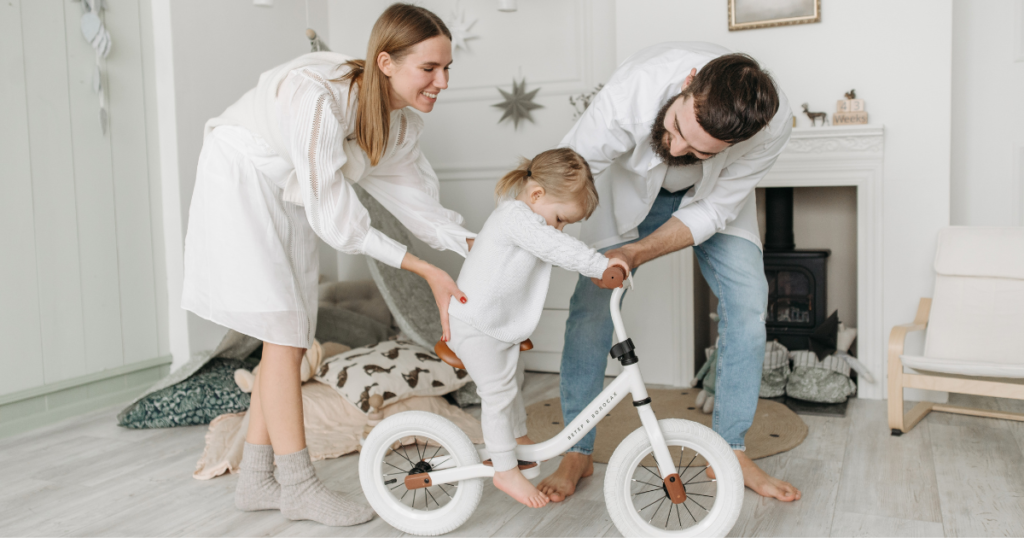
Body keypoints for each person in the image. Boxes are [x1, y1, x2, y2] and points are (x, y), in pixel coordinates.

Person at [181, 4, 474, 527]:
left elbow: (424, 211)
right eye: (430, 69)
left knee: (294, 327)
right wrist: (426, 270)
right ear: (385, 62)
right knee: (284, 333)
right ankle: (297, 485)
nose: (442, 81)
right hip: (242, 173)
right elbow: (341, 225)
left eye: (448, 68)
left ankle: (255, 480)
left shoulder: (397, 125)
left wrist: (487, 247)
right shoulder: (318, 97)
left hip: (286, 189)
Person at [537, 42, 803, 503]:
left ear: (734, 143)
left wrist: (638, 253)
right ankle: (576, 450)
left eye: (698, 150)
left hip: (710, 199)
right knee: (591, 310)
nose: (677, 147)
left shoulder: (772, 127)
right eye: (678, 127)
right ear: (688, 84)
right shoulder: (633, 91)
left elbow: (716, 210)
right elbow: (565, 173)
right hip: (627, 189)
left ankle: (731, 449)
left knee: (748, 306)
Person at [446, 149, 629, 508]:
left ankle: (516, 440)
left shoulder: (528, 219)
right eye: (560, 219)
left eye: (565, 225)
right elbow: (555, 246)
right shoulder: (515, 217)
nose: (559, 228)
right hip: (476, 325)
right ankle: (504, 470)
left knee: (512, 383)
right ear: (537, 196)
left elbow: (554, 246)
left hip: (496, 327)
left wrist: (605, 267)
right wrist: (600, 264)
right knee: (497, 393)